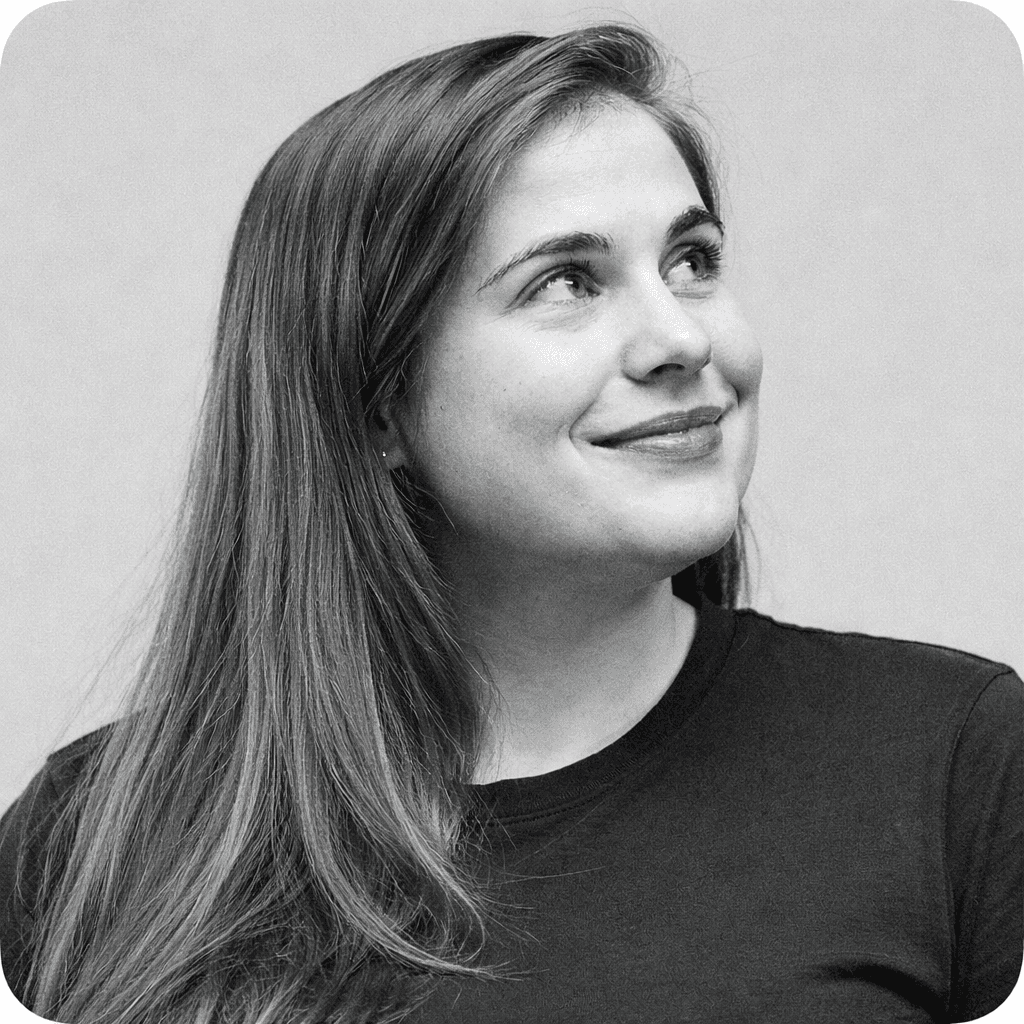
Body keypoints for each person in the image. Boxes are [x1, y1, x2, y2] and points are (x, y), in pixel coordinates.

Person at [0, 24, 1020, 1024]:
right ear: (378, 406)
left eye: (693, 259)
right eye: (566, 281)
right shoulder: (89, 840)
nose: (680, 335)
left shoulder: (957, 765)